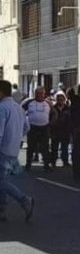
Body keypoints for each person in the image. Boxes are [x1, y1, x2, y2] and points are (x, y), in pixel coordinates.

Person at [0, 80, 33, 222]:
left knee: (1, 182)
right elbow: (27, 127)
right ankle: (2, 210)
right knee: (2, 180)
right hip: (13, 149)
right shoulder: (18, 107)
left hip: (2, 149)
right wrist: (17, 137)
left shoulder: (2, 108)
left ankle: (24, 199)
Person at [23, 86, 55, 172]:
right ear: (34, 94)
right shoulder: (28, 102)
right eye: (37, 93)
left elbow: (54, 114)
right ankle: (28, 164)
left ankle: (46, 165)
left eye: (41, 93)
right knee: (31, 147)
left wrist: (50, 123)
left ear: (44, 94)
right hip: (32, 128)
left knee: (45, 147)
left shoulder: (49, 103)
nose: (39, 95)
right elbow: (20, 111)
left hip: (44, 128)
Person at [50, 91, 72, 167]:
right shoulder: (53, 108)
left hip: (65, 130)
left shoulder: (68, 108)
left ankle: (65, 162)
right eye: (58, 99)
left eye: (62, 99)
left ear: (64, 100)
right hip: (55, 130)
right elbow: (50, 118)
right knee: (54, 147)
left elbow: (70, 119)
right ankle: (53, 161)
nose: (60, 101)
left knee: (65, 148)